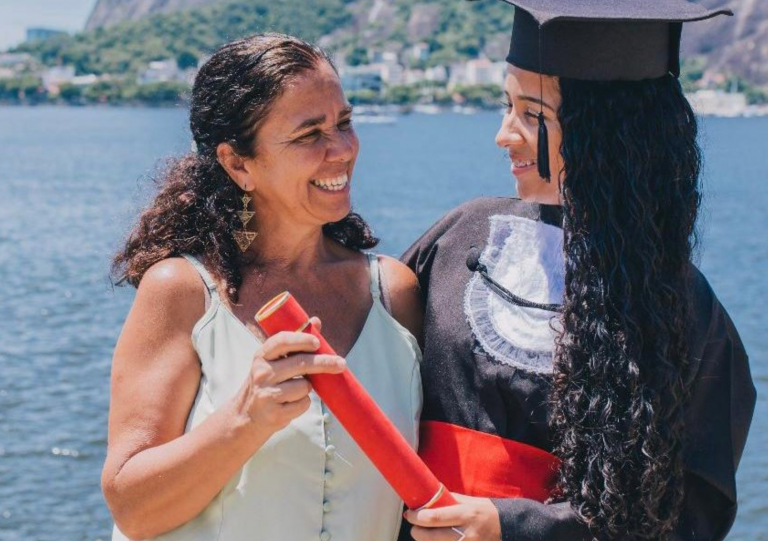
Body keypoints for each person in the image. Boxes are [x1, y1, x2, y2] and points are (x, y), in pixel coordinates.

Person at [400, 2, 755, 541]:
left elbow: (688, 516)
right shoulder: (460, 236)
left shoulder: (684, 308)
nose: (504, 134)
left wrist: (513, 527)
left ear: (605, 130)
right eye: (507, 105)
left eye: (532, 114)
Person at [102, 33, 423, 541]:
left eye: (344, 123)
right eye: (309, 134)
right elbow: (131, 509)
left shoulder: (393, 292)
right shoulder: (182, 291)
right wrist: (245, 418)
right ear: (238, 164)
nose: (342, 149)